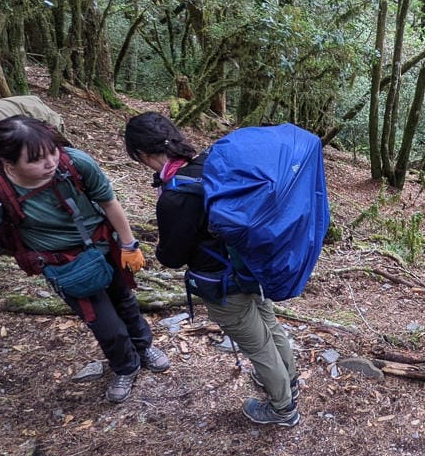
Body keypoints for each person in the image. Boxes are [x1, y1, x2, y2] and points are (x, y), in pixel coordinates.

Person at [0, 116, 168, 404]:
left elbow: (109, 202)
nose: (49, 163)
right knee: (103, 323)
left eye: (51, 151)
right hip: (64, 264)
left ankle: (143, 347)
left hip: (104, 245)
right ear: (9, 164)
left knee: (125, 301)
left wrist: (128, 243)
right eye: (36, 159)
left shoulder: (75, 163)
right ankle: (126, 366)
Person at [123, 112, 301, 428]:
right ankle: (289, 383)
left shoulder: (175, 195)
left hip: (221, 282)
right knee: (270, 326)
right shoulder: (215, 164)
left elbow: (173, 258)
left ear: (142, 155)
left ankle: (283, 409)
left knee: (258, 346)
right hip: (254, 267)